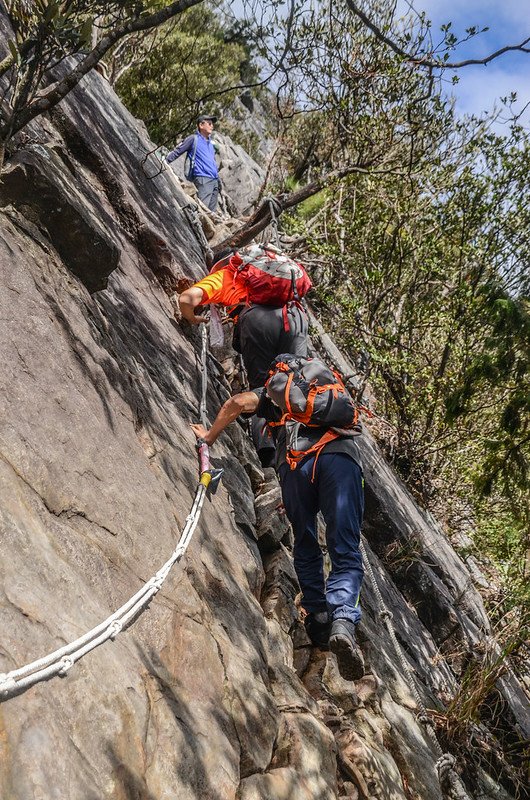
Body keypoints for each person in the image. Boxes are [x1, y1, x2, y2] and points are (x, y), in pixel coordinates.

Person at [190, 366, 365, 681]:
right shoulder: (326, 391)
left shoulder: (273, 393)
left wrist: (209, 436)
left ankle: (317, 616)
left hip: (295, 467)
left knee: (305, 539)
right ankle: (342, 621)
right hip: (339, 459)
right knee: (345, 549)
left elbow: (236, 404)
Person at [179, 248, 309, 466]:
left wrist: (191, 318)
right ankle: (304, 445)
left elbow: (187, 298)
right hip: (294, 316)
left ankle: (269, 455)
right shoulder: (272, 275)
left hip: (258, 321)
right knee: (295, 384)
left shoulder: (225, 276)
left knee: (265, 387)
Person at [166, 114, 220, 212]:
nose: (212, 126)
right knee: (203, 211)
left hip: (214, 181)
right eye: (209, 123)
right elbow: (178, 151)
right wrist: (165, 161)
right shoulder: (193, 139)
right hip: (203, 178)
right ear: (201, 125)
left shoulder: (211, 144)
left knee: (212, 214)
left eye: (212, 124)